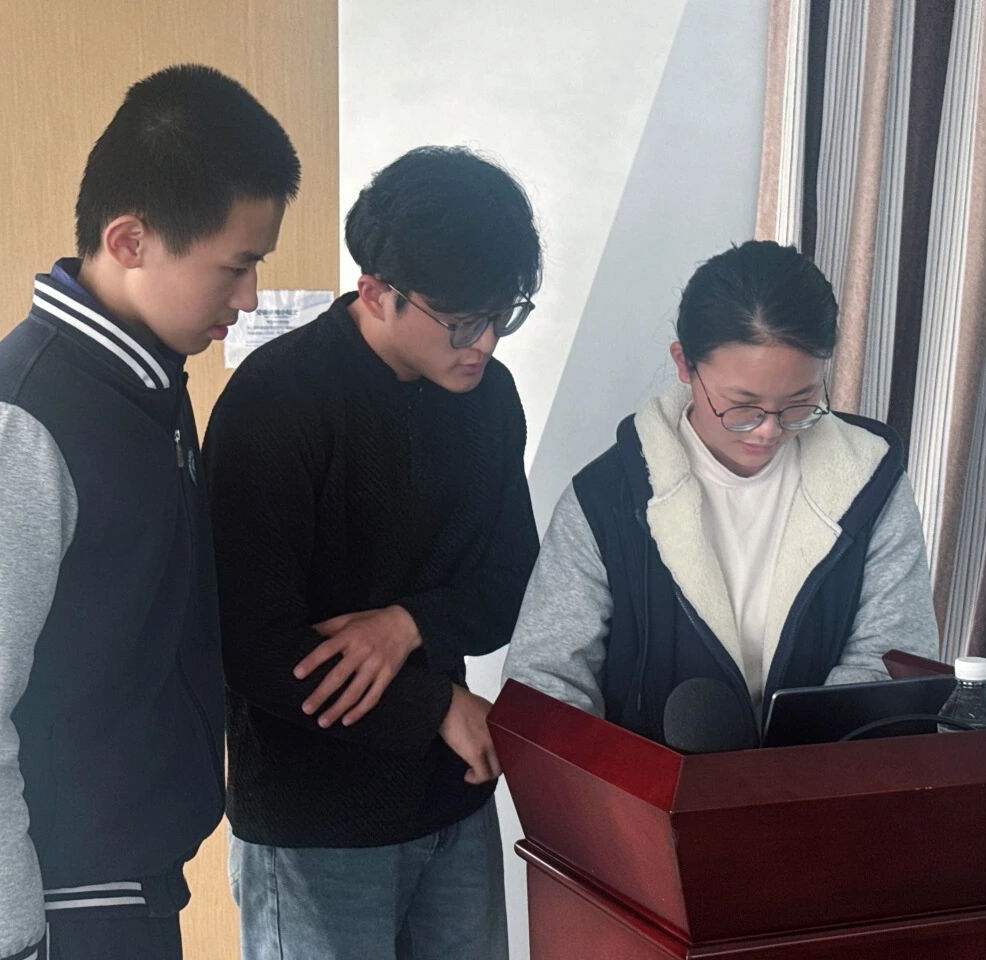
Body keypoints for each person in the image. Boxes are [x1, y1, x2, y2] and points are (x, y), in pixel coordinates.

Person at [0, 64, 300, 960]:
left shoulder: (145, 387)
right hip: (53, 915)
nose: (247, 299)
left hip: (122, 894)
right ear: (130, 239)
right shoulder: (11, 428)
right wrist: (3, 950)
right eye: (235, 267)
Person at [204, 146, 541, 960]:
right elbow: (250, 646)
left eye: (504, 314)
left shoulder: (489, 400)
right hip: (314, 822)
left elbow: (509, 585)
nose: (486, 343)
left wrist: (405, 624)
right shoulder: (276, 402)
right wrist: (435, 705)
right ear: (377, 292)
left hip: (451, 799)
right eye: (462, 321)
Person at [504, 240, 939, 749]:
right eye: (743, 406)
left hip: (822, 784)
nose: (769, 431)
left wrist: (791, 773)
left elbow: (893, 659)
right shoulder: (605, 501)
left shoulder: (871, 483)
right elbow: (545, 684)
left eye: (800, 402)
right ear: (684, 364)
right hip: (645, 793)